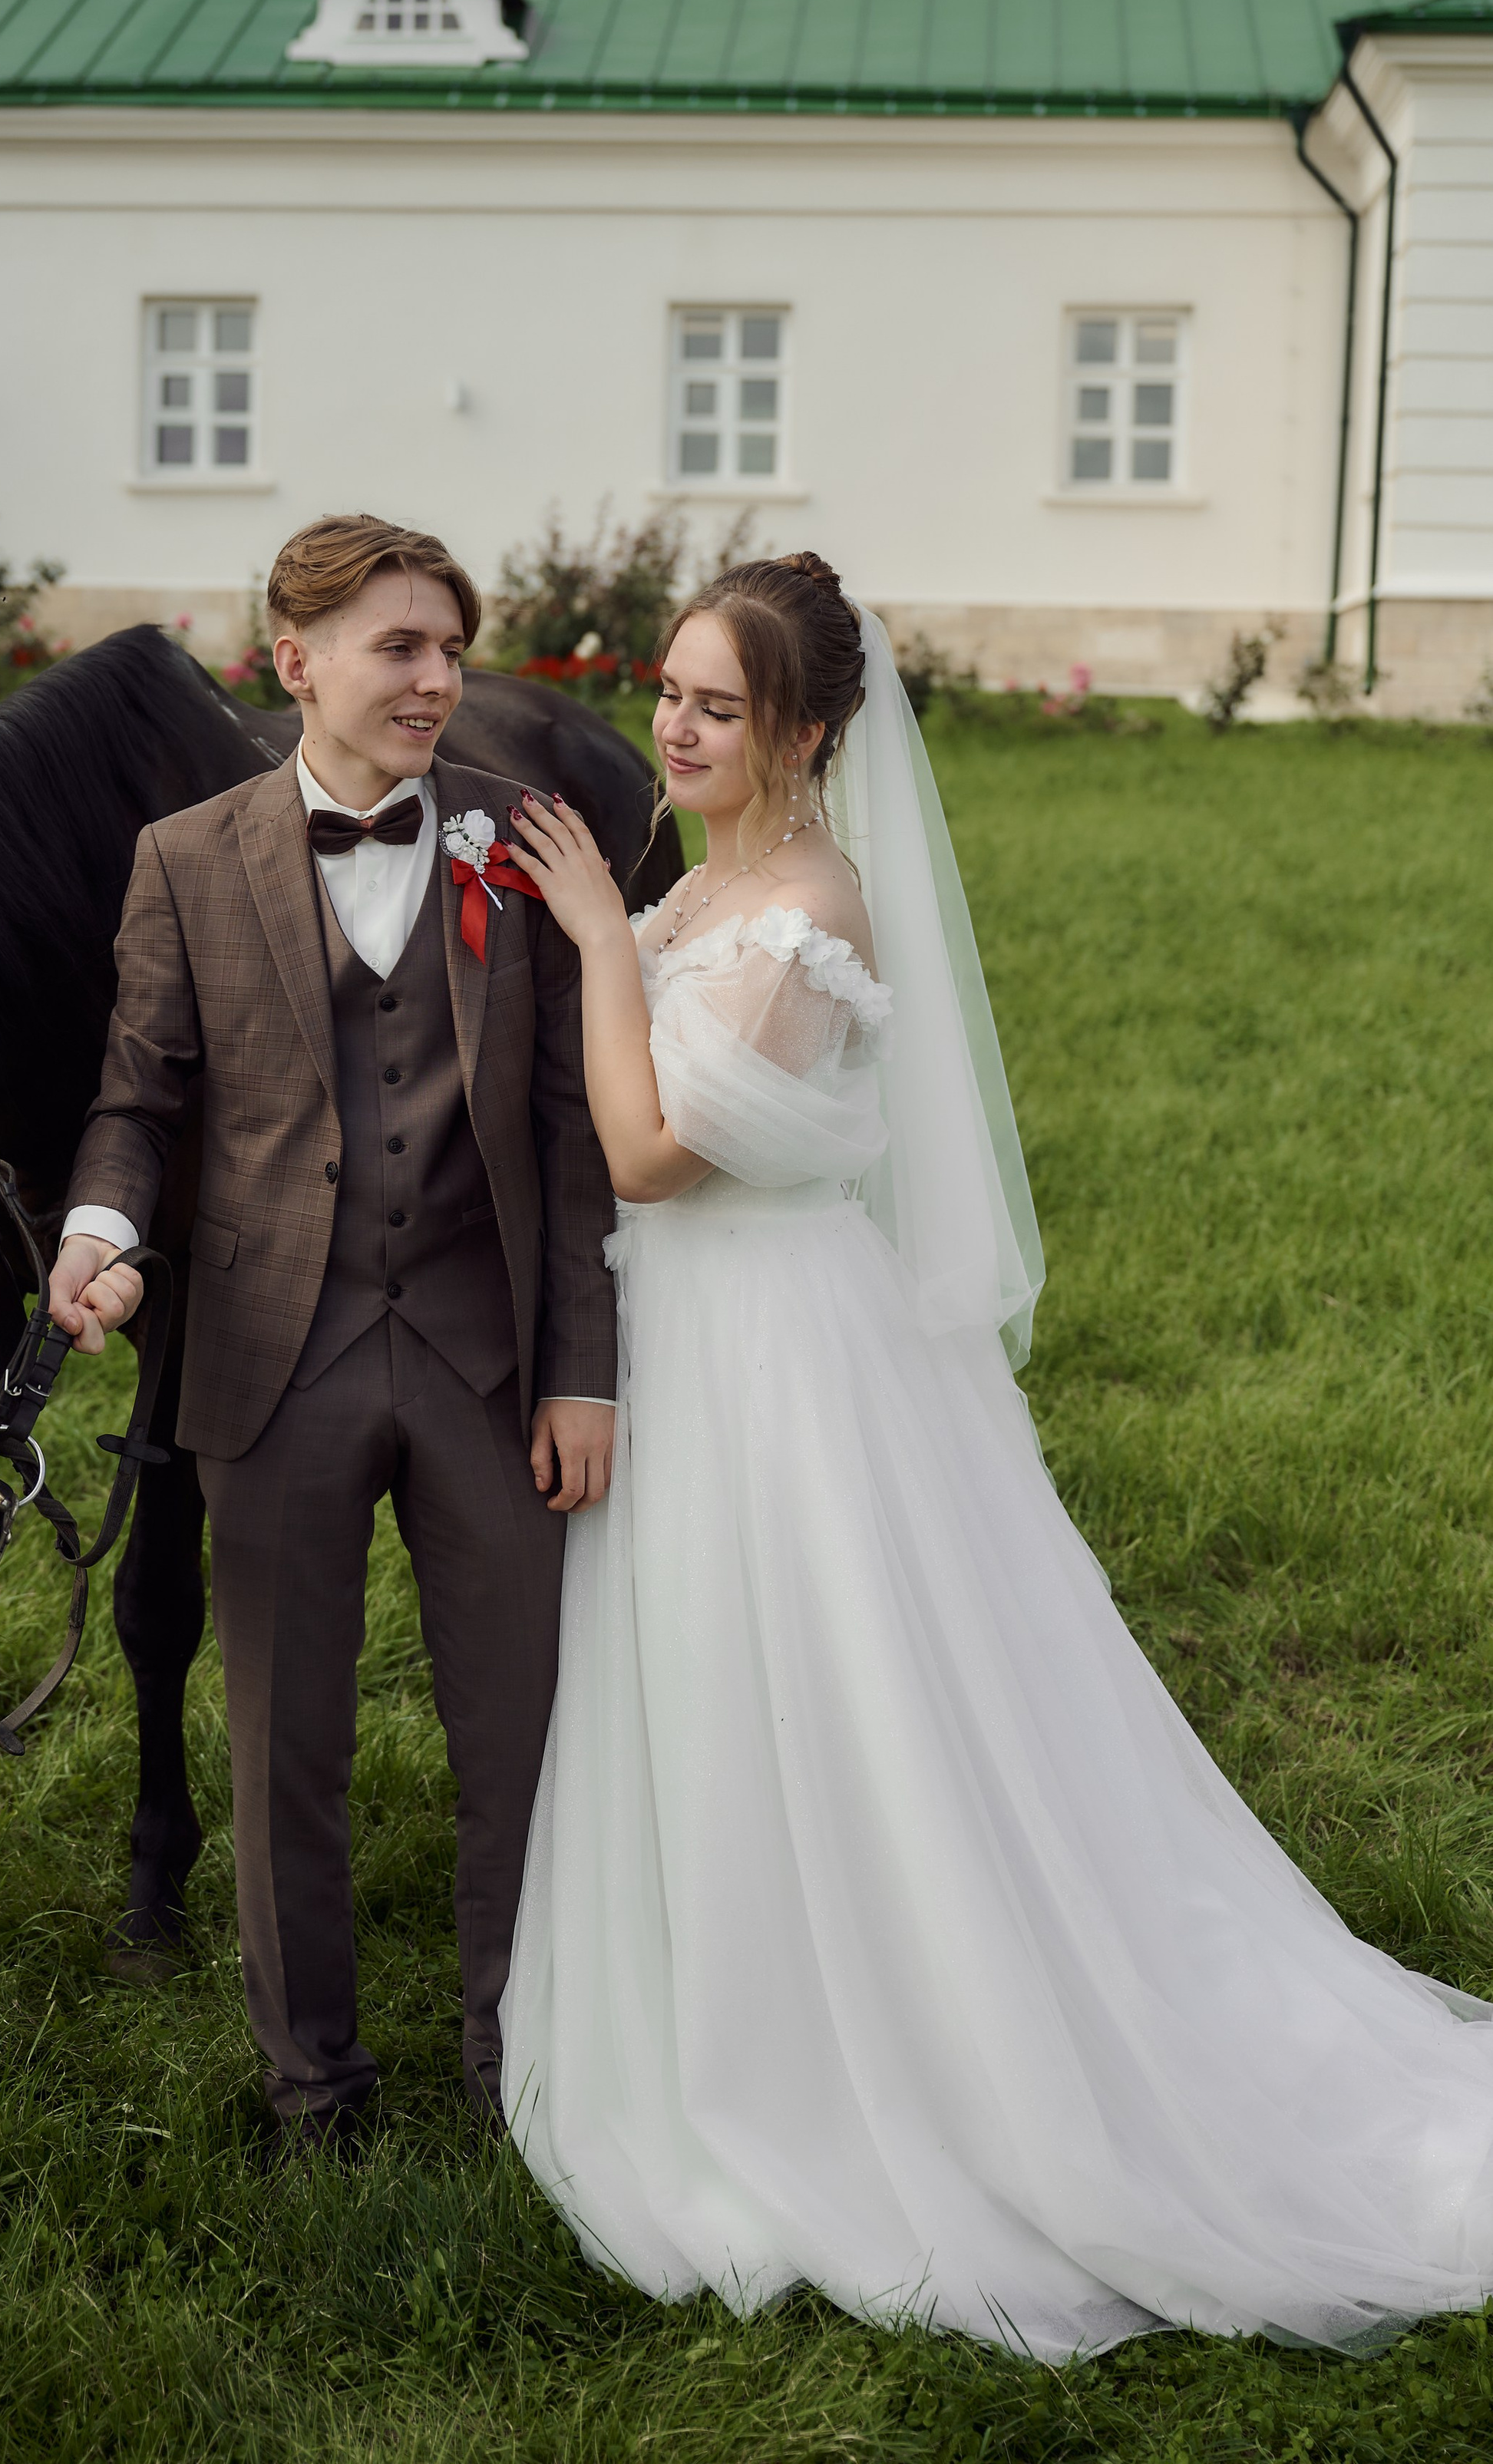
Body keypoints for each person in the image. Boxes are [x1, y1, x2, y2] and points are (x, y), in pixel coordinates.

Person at [498, 550, 1493, 2363]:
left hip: (775, 1363)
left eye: (718, 705)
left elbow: (645, 1152)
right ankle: (734, 1994)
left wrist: (586, 941)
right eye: (666, 690)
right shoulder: (708, 873)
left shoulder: (806, 906)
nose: (676, 725)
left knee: (836, 1692)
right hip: (695, 1337)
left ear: (801, 731)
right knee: (717, 1693)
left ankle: (884, 2056)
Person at [48, 514, 616, 2143]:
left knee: (521, 1739)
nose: (439, 678)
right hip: (270, 1354)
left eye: (451, 646)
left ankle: (530, 2074)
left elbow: (578, 1133)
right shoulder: (186, 857)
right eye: (400, 647)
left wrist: (582, 1368)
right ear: (293, 660)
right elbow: (136, 1097)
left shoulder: (525, 839)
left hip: (487, 1355)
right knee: (283, 1744)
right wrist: (100, 1236)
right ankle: (314, 2081)